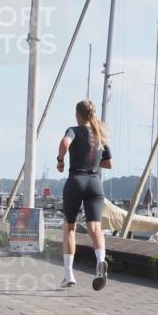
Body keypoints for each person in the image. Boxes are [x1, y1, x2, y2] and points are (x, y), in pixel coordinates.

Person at [56, 100, 112, 290]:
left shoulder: (73, 130)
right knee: (95, 229)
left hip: (76, 180)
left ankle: (69, 275)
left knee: (69, 228)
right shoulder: (99, 134)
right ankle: (100, 262)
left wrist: (60, 159)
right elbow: (109, 163)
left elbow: (65, 143)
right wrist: (95, 164)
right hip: (95, 183)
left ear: (78, 114)